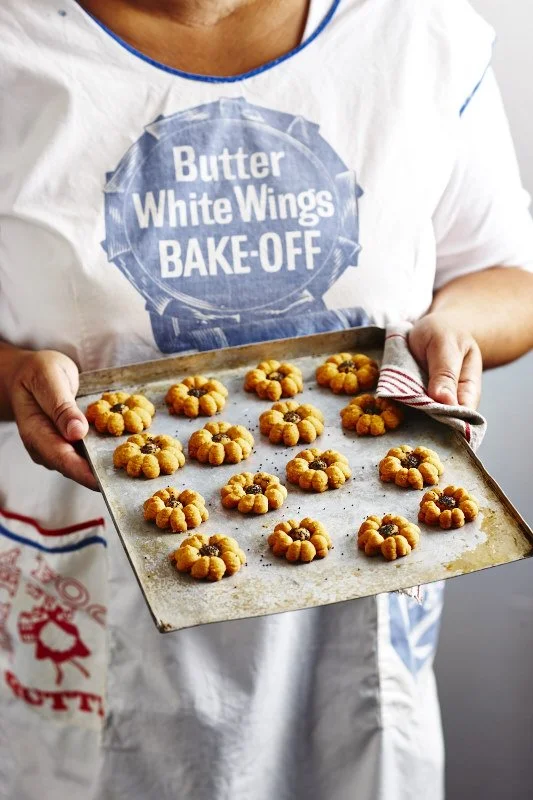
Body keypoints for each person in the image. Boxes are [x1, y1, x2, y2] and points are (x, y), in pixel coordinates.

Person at [1, 0, 532, 797]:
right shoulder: (17, 45)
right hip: (93, 607)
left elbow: (505, 277)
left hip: (362, 591)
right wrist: (11, 379)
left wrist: (451, 325)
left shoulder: (420, 34)